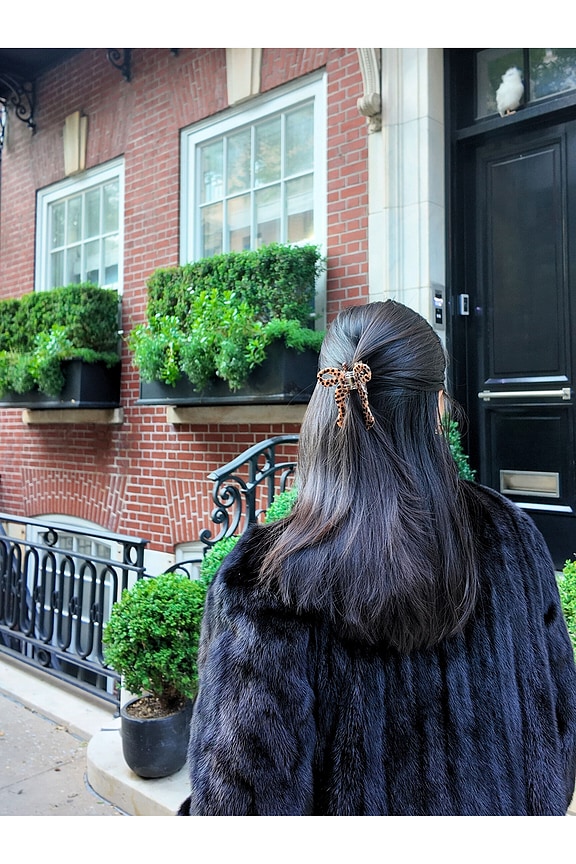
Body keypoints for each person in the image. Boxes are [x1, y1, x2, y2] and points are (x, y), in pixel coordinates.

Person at [178, 300, 576, 816]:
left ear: (324, 405)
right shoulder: (512, 540)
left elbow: (238, 801)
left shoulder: (262, 581)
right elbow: (558, 731)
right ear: (437, 406)